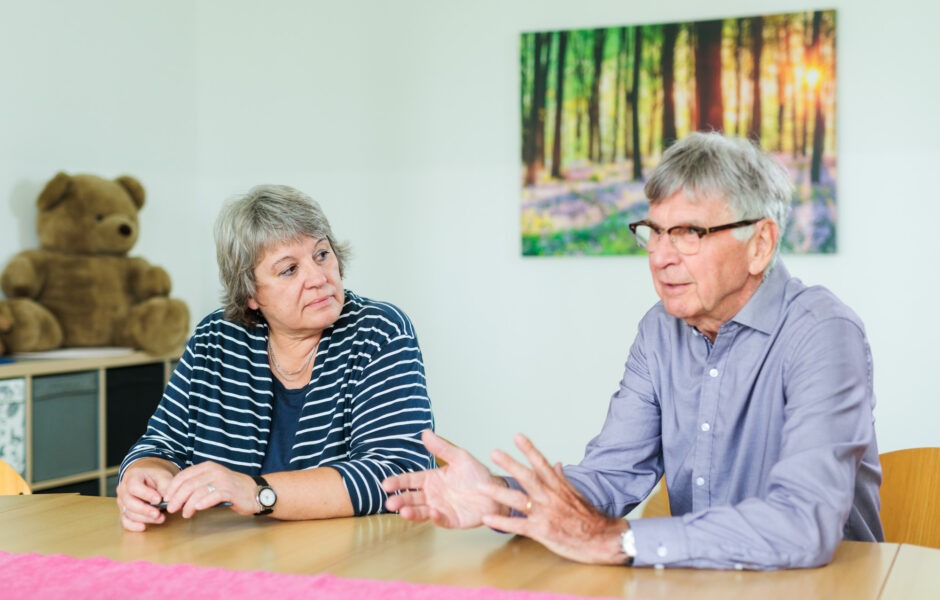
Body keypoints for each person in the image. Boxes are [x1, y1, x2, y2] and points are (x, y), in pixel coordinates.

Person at [382, 132, 882, 570]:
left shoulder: (823, 331)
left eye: (689, 233)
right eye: (655, 232)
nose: (662, 257)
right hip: (703, 583)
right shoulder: (660, 330)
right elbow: (610, 477)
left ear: (760, 244)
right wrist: (496, 497)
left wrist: (618, 540)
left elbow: (803, 523)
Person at [117, 184, 434, 531]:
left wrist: (257, 493)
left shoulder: (380, 331)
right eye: (289, 270)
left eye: (322, 254)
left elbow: (397, 473)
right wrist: (143, 472)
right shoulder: (215, 338)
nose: (318, 278)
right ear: (251, 293)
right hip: (227, 556)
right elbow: (162, 442)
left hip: (348, 560)